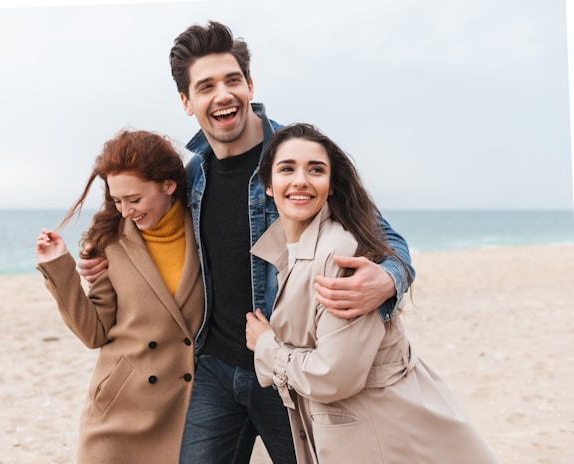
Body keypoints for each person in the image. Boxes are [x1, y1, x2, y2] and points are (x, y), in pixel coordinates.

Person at [79, 21, 415, 463]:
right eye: (206, 86)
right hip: (214, 369)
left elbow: (386, 237)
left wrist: (388, 281)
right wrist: (96, 255)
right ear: (186, 102)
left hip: (286, 370)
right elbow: (146, 220)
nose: (222, 94)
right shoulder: (193, 175)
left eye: (232, 80)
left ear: (250, 84)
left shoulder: (296, 160)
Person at [245, 123, 498, 463]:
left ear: (332, 186)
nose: (301, 180)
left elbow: (334, 376)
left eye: (316, 170)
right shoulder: (294, 249)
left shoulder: (339, 255)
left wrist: (267, 347)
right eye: (287, 169)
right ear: (269, 187)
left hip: (379, 431)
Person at [35, 129, 204, 463]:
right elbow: (93, 332)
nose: (126, 211)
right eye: (117, 200)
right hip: (121, 409)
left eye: (135, 199)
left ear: (168, 185)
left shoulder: (206, 230)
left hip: (191, 408)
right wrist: (59, 267)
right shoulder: (109, 241)